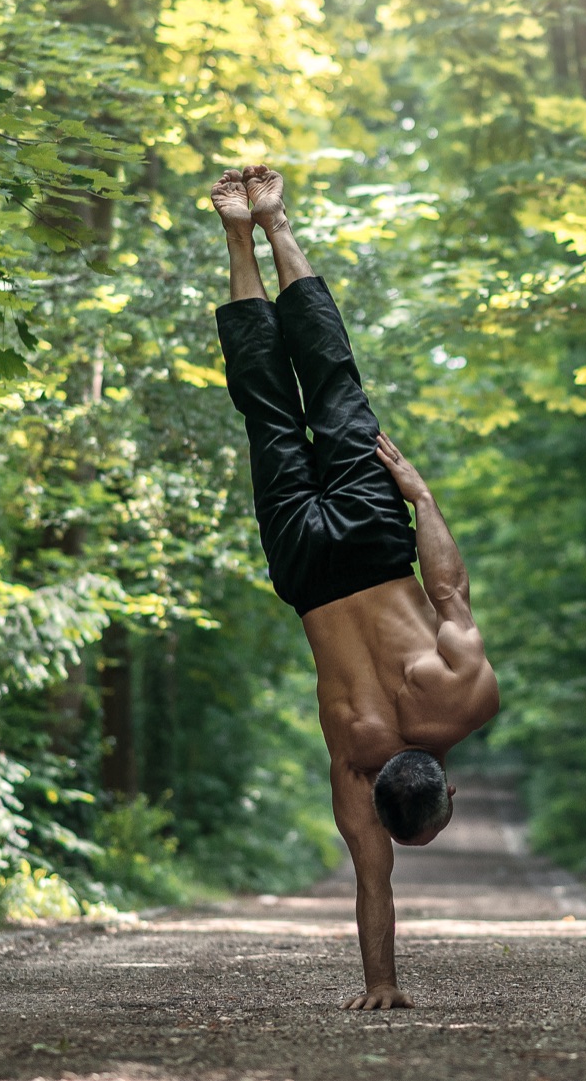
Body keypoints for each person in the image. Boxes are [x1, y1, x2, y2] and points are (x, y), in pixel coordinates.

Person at [210, 165, 499, 1010]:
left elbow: (448, 589)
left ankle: (275, 221)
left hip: (378, 548)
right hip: (305, 569)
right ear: (386, 791)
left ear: (444, 791)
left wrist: (423, 498)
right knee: (267, 408)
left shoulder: (466, 703)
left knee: (333, 381)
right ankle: (239, 233)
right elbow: (374, 881)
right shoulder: (353, 759)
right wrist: (379, 983)